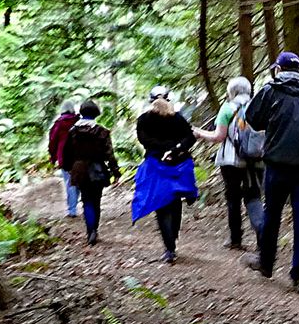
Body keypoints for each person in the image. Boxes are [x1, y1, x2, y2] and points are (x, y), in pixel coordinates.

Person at [243, 51, 299, 291]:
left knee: (272, 213)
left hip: (277, 163)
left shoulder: (271, 90)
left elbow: (253, 118)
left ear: (279, 69)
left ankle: (266, 263)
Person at [193, 75, 265, 250]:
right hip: (256, 159)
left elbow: (219, 137)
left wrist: (199, 133)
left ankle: (235, 239)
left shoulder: (227, 108)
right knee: (253, 197)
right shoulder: (260, 106)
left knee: (233, 198)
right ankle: (262, 238)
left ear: (231, 91)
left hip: (231, 161)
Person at [133, 86, 198, 263]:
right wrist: (176, 148)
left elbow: (143, 140)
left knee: (160, 205)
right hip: (178, 164)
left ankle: (169, 248)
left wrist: (160, 148)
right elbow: (190, 137)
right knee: (175, 202)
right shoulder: (177, 118)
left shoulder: (144, 120)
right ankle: (173, 241)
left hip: (155, 165)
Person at [60, 99, 119, 246]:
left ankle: (90, 230)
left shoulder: (73, 131)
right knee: (96, 200)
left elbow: (67, 152)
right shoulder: (102, 131)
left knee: (86, 200)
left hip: (79, 169)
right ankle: (94, 230)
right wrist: (115, 171)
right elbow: (109, 154)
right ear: (96, 113)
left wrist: (68, 167)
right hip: (97, 169)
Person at [48, 100, 80, 217]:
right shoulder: (78, 121)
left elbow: (53, 141)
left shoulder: (59, 124)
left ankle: (72, 209)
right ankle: (74, 203)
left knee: (69, 181)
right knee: (77, 181)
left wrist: (53, 156)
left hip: (64, 156)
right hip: (79, 155)